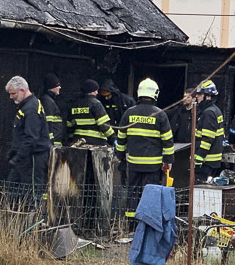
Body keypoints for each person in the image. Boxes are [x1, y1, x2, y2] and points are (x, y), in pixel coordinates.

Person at [116, 78, 174, 221]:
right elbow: (168, 141)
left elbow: (121, 138)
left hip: (134, 163)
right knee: (150, 194)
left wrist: (121, 157)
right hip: (153, 165)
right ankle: (147, 223)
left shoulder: (128, 113)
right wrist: (168, 161)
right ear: (155, 94)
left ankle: (131, 223)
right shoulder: (160, 114)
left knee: (133, 193)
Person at [6, 76, 52, 204]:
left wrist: (18, 156)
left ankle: (35, 219)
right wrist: (13, 152)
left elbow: (31, 137)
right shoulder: (26, 106)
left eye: (13, 93)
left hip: (33, 157)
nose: (11, 97)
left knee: (33, 192)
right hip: (25, 157)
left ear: (22, 90)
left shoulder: (31, 108)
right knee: (13, 188)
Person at [66, 79, 115, 146]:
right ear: (91, 91)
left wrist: (71, 139)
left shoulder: (74, 105)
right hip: (96, 141)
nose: (97, 93)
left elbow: (69, 125)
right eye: (96, 90)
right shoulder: (96, 104)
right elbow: (104, 125)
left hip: (77, 141)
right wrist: (113, 139)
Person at [193, 80, 224, 183]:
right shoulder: (215, 110)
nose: (197, 97)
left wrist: (199, 158)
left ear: (208, 96)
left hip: (206, 160)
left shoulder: (209, 113)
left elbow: (207, 139)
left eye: (200, 94)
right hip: (212, 159)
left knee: (199, 188)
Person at [40, 73, 65, 146]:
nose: (60, 87)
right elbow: (48, 123)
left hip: (55, 142)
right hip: (52, 144)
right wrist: (50, 142)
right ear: (51, 87)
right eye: (57, 85)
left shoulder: (50, 100)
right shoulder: (47, 101)